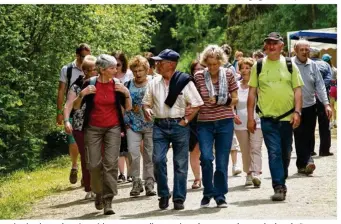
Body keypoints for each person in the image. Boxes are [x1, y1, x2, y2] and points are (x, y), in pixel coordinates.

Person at [142, 49, 203, 210]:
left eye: (159, 62)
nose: (156, 65)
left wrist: (186, 120)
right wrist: (147, 110)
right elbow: (146, 103)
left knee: (180, 163)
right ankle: (163, 194)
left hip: (179, 125)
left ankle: (179, 198)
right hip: (160, 125)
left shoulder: (184, 81)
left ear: (170, 64)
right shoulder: (153, 82)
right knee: (158, 160)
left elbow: (197, 103)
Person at [247, 32, 303, 201]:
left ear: (281, 46)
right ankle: (278, 186)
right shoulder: (258, 66)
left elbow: (297, 91)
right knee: (274, 152)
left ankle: (282, 177)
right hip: (267, 119)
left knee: (286, 152)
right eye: (268, 43)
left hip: (287, 118)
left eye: (274, 43)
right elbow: (252, 93)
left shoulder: (290, 65)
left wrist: (298, 112)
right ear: (266, 46)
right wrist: (250, 117)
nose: (271, 46)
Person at [73, 54, 132, 215]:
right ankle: (98, 192)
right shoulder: (90, 84)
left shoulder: (117, 85)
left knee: (111, 163)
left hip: (113, 127)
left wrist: (126, 93)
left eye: (116, 67)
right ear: (103, 70)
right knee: (93, 164)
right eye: (113, 67)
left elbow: (128, 108)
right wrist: (82, 94)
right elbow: (76, 107)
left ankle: (108, 199)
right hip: (93, 128)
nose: (116, 70)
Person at [194, 45, 238, 208]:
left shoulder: (228, 74)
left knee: (221, 160)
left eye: (215, 64)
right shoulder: (198, 76)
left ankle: (220, 195)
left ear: (221, 62)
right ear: (205, 62)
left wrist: (221, 99)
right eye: (209, 64)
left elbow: (235, 98)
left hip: (225, 121)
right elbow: (193, 98)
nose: (212, 67)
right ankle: (208, 192)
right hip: (204, 122)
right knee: (205, 158)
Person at [292, 40, 332, 175]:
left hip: (310, 105)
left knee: (308, 134)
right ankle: (307, 161)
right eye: (301, 49)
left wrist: (326, 104)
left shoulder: (313, 65)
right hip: (294, 107)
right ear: (295, 50)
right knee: (298, 134)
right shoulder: (289, 64)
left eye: (306, 49)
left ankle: (303, 163)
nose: (304, 52)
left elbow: (320, 86)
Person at [64, 55, 97, 199]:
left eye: (94, 69)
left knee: (98, 156)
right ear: (84, 71)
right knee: (86, 156)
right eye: (89, 70)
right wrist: (66, 121)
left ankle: (99, 185)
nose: (92, 72)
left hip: (98, 124)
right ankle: (89, 187)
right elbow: (69, 105)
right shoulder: (77, 86)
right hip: (80, 125)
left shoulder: (102, 83)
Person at [57, 43, 91, 184]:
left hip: (87, 110)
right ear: (77, 55)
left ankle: (86, 174)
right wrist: (60, 112)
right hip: (72, 108)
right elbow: (61, 91)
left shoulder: (92, 67)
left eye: (88, 56)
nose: (86, 59)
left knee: (87, 142)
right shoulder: (68, 69)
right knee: (73, 141)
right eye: (83, 56)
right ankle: (74, 166)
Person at [124, 55, 156, 197]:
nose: (138, 73)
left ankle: (149, 182)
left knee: (149, 155)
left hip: (151, 124)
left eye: (141, 70)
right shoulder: (127, 85)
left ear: (146, 70)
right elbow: (122, 105)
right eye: (135, 70)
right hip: (132, 124)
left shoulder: (154, 82)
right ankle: (136, 182)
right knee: (133, 153)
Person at [234, 57, 263, 187]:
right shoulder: (236, 86)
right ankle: (249, 173)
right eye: (242, 68)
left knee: (256, 147)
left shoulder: (258, 86)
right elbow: (232, 103)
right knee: (245, 149)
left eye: (248, 68)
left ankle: (257, 173)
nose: (245, 70)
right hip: (240, 122)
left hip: (257, 120)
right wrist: (233, 114)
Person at [112, 51, 134, 182]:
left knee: (130, 144)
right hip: (115, 113)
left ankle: (131, 172)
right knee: (119, 144)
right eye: (113, 65)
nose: (116, 68)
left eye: (118, 65)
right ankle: (121, 173)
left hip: (130, 113)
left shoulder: (129, 75)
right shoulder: (107, 76)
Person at [220, 44, 242, 176]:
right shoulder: (213, 69)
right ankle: (227, 166)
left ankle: (234, 165)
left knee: (232, 137)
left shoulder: (230, 69)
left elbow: (234, 91)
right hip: (218, 107)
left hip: (229, 105)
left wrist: (233, 109)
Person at [309, 47, 333, 156]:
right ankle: (324, 150)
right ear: (319, 55)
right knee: (324, 124)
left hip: (309, 97)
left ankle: (310, 150)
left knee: (309, 125)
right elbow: (329, 79)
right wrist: (321, 90)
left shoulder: (307, 64)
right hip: (323, 98)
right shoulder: (326, 65)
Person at [188, 60, 204, 189]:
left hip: (208, 120)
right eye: (196, 69)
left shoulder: (209, 84)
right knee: (194, 150)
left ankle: (208, 176)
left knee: (208, 152)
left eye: (201, 69)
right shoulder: (187, 85)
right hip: (193, 121)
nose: (198, 72)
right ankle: (197, 178)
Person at [322, 53, 337, 128]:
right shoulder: (334, 69)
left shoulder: (324, 69)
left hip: (328, 88)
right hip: (334, 88)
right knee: (333, 106)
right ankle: (335, 121)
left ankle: (330, 122)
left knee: (328, 106)